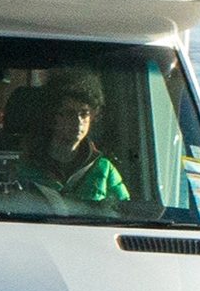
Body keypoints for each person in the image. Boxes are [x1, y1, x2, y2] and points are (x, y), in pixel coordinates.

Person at [18, 68, 129, 202]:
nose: (78, 121)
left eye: (84, 114)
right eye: (70, 113)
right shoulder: (25, 166)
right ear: (52, 116)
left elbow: (123, 211)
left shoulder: (105, 169)